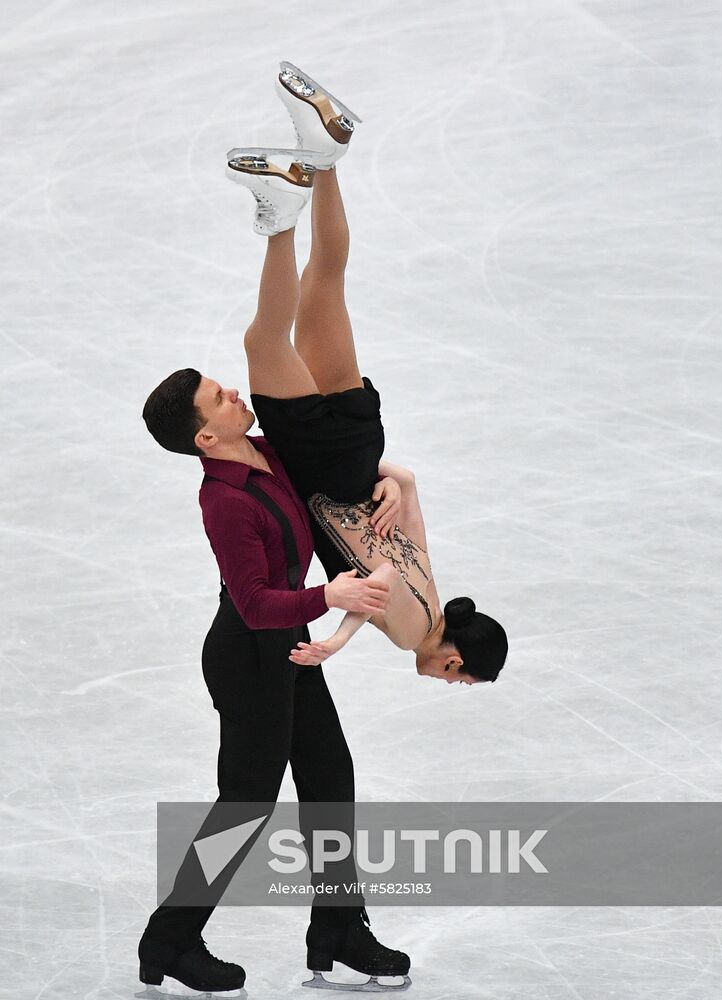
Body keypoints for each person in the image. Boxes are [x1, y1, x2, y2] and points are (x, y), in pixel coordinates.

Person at [137, 61, 412, 998]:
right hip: (252, 649)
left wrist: (386, 473)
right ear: (203, 435)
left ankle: (339, 931)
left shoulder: (259, 453)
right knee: (247, 802)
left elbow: (333, 463)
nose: (234, 391)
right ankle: (168, 942)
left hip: (283, 645)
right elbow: (255, 603)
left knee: (327, 782)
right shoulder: (222, 494)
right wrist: (331, 597)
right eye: (221, 396)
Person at [224, 62, 509, 685]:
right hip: (324, 462)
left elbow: (406, 482)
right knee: (265, 337)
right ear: (456, 660)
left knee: (325, 284)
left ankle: (323, 156)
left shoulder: (433, 583)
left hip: (359, 442)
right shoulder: (416, 631)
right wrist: (337, 638)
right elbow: (374, 583)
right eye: (459, 680)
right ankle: (279, 209)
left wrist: (393, 480)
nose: (446, 682)